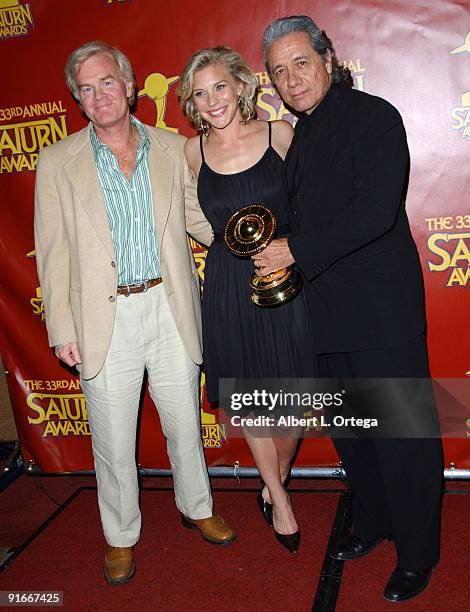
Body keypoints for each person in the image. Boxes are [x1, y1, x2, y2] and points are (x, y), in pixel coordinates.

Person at [34, 41, 235, 586]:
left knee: (184, 426)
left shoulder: (173, 148)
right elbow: (52, 254)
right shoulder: (56, 162)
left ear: (128, 86)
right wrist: (61, 329)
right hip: (106, 319)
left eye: (106, 82)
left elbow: (202, 220)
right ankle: (120, 535)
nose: (98, 95)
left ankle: (197, 507)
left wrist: (250, 242)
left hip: (170, 309)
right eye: (86, 89)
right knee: (113, 440)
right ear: (79, 100)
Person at [260, 15, 443, 603]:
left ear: (327, 57)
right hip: (324, 313)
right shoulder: (300, 136)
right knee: (351, 431)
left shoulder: (375, 116)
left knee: (403, 436)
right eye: (279, 72)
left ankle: (418, 553)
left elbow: (376, 210)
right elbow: (301, 217)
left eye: (300, 63)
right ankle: (375, 521)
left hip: (380, 311)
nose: (292, 79)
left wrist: (295, 247)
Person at [178, 46, 316, 553]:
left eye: (219, 86)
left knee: (295, 401)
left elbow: (310, 203)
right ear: (191, 103)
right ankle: (279, 497)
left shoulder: (280, 134)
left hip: (284, 274)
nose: (212, 99)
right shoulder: (190, 152)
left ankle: (269, 480)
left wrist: (294, 252)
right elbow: (191, 218)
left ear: (240, 85)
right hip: (229, 286)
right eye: (199, 92)